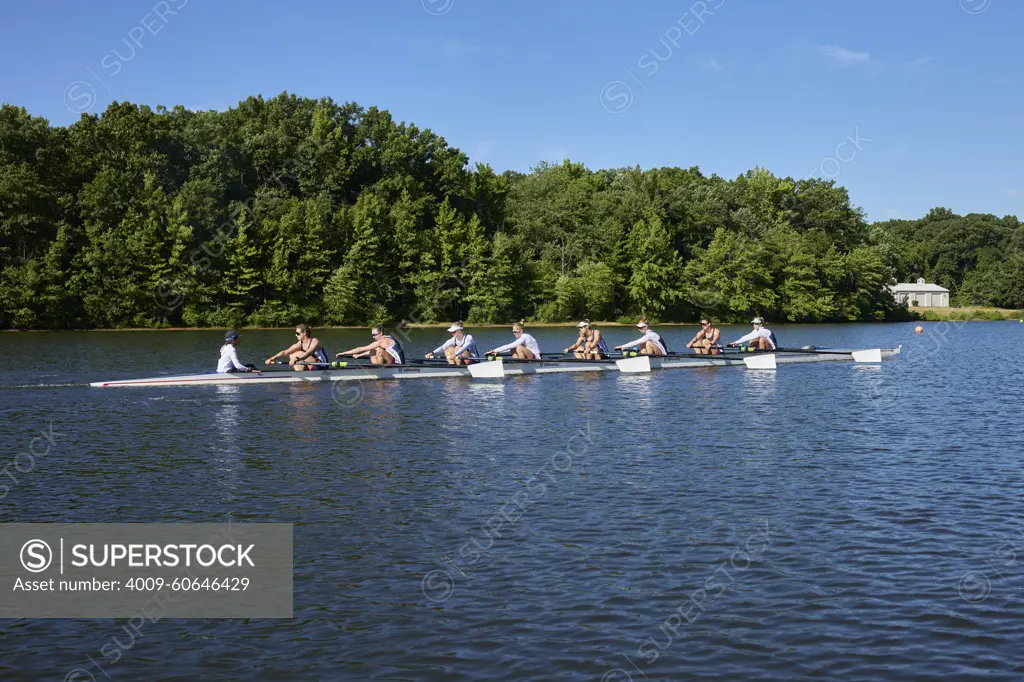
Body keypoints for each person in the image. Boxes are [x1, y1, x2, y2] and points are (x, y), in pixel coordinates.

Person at [337, 326, 406, 365]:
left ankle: (378, 369)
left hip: (398, 364)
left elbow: (362, 349)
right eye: (372, 335)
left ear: (381, 333)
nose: (373, 337)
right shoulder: (384, 339)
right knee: (374, 350)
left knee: (379, 350)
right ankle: (376, 367)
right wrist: (359, 355)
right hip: (390, 360)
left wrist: (344, 353)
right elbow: (370, 350)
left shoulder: (384, 340)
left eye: (374, 335)